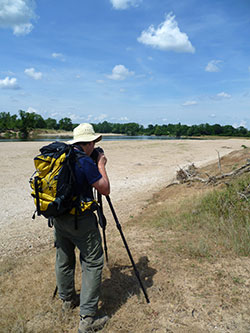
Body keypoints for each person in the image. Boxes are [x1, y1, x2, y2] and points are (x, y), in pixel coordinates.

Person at [53, 123, 110, 333]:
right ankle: (87, 320)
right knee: (93, 263)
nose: (95, 146)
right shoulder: (84, 161)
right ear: (87, 143)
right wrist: (101, 164)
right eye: (93, 142)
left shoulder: (62, 156)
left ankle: (67, 301)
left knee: (64, 259)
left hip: (59, 218)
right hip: (80, 220)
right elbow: (105, 189)